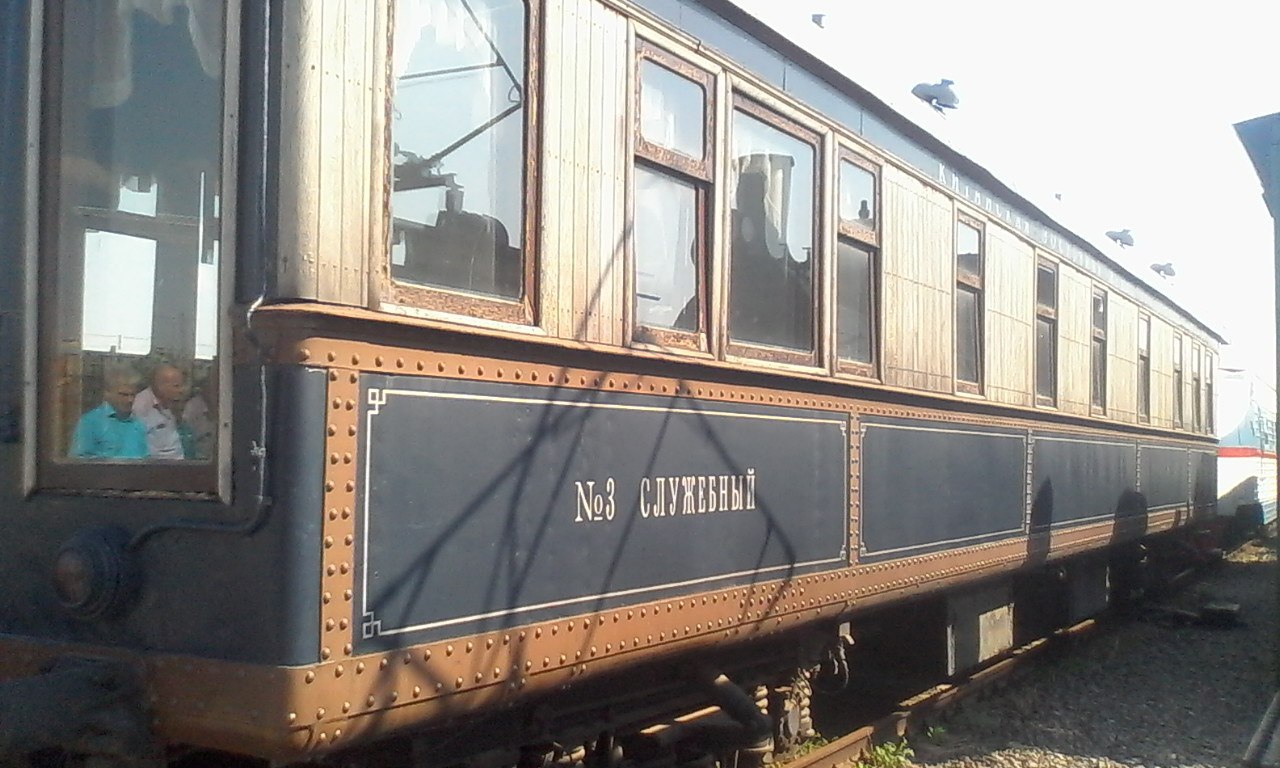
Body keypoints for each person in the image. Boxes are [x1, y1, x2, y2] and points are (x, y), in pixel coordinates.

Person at [69, 367, 148, 459]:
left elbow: (145, 457)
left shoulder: (138, 424)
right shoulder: (90, 422)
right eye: (123, 394)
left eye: (133, 395)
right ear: (107, 394)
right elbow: (78, 461)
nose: (130, 400)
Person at [132, 363, 186, 460]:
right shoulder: (141, 406)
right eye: (176, 386)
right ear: (160, 386)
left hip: (179, 464)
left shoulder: (172, 403)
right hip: (157, 467)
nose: (181, 390)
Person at [181, 373, 216, 460]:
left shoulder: (228, 404)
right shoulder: (192, 406)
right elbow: (186, 436)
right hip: (198, 459)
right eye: (208, 386)